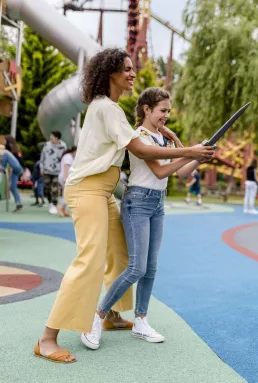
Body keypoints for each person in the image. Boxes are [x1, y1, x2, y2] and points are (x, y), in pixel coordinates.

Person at [34, 48, 215, 364]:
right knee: (89, 260)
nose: (133, 73)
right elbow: (141, 149)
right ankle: (47, 338)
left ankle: (113, 316)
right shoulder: (108, 109)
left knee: (120, 255)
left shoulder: (110, 108)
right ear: (111, 74)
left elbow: (149, 145)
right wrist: (191, 150)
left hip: (103, 192)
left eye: (133, 68)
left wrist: (182, 145)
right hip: (87, 190)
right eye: (127, 69)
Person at [81, 87, 202, 349]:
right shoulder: (140, 137)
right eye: (162, 110)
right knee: (137, 267)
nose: (166, 115)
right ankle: (97, 317)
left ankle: (141, 320)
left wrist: (200, 158)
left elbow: (180, 174)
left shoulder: (163, 138)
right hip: (137, 201)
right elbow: (160, 171)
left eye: (168, 111)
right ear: (146, 109)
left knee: (151, 267)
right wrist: (190, 152)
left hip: (158, 203)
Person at [40, 131, 67, 215]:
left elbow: (64, 159)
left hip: (57, 170)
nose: (50, 137)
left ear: (57, 138)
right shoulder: (46, 145)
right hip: (47, 170)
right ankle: (50, 202)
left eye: (52, 136)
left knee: (54, 188)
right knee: (47, 188)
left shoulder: (63, 146)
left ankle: (54, 204)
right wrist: (41, 167)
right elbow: (42, 157)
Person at [1, 135, 24, 212]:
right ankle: (18, 203)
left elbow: (20, 160)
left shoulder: (13, 149)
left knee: (6, 153)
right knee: (12, 187)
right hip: (15, 169)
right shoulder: (12, 149)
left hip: (18, 167)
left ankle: (2, 168)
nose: (3, 142)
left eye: (4, 140)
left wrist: (3, 168)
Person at [56, 147, 77, 217]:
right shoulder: (68, 156)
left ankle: (64, 209)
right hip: (65, 177)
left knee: (66, 193)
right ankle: (61, 207)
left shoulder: (69, 156)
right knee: (67, 194)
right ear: (74, 151)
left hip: (66, 177)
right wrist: (65, 178)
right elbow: (66, 166)